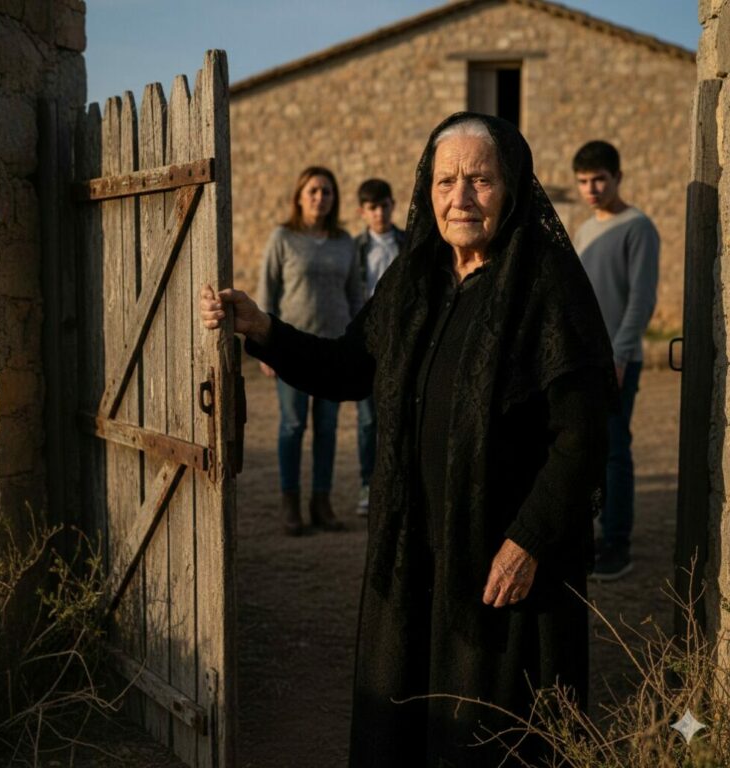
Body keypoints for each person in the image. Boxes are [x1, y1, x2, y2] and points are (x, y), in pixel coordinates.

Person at [202, 113, 615, 766]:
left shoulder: (547, 288)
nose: (462, 197)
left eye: (480, 180)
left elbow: (583, 436)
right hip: (412, 552)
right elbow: (348, 368)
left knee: (490, 736)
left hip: (501, 570)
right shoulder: (412, 283)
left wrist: (529, 540)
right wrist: (265, 329)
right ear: (427, 190)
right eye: (446, 181)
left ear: (512, 188)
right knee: (406, 725)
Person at [256, 166, 362, 536]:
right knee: (292, 425)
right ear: (300, 196)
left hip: (334, 350)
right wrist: (267, 348)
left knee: (328, 428)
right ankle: (291, 506)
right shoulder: (283, 238)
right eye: (314, 191)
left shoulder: (345, 241)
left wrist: (361, 342)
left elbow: (356, 295)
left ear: (334, 199)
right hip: (291, 348)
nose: (320, 197)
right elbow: (267, 292)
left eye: (327, 192)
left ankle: (322, 502)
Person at [573, 140, 659, 581]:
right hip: (583, 361)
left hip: (619, 360)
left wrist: (621, 354)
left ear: (618, 177)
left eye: (599, 180)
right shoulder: (585, 231)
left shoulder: (638, 227)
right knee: (585, 449)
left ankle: (617, 542)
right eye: (583, 182)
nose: (591, 189)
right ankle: (592, 536)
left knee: (613, 449)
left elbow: (642, 300)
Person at [353, 178, 405, 515]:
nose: (379, 213)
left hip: (402, 339)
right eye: (372, 207)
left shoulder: (408, 242)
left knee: (401, 414)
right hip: (369, 341)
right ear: (363, 212)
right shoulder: (355, 248)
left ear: (392, 205)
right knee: (369, 418)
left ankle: (398, 485)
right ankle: (368, 484)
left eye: (384, 205)